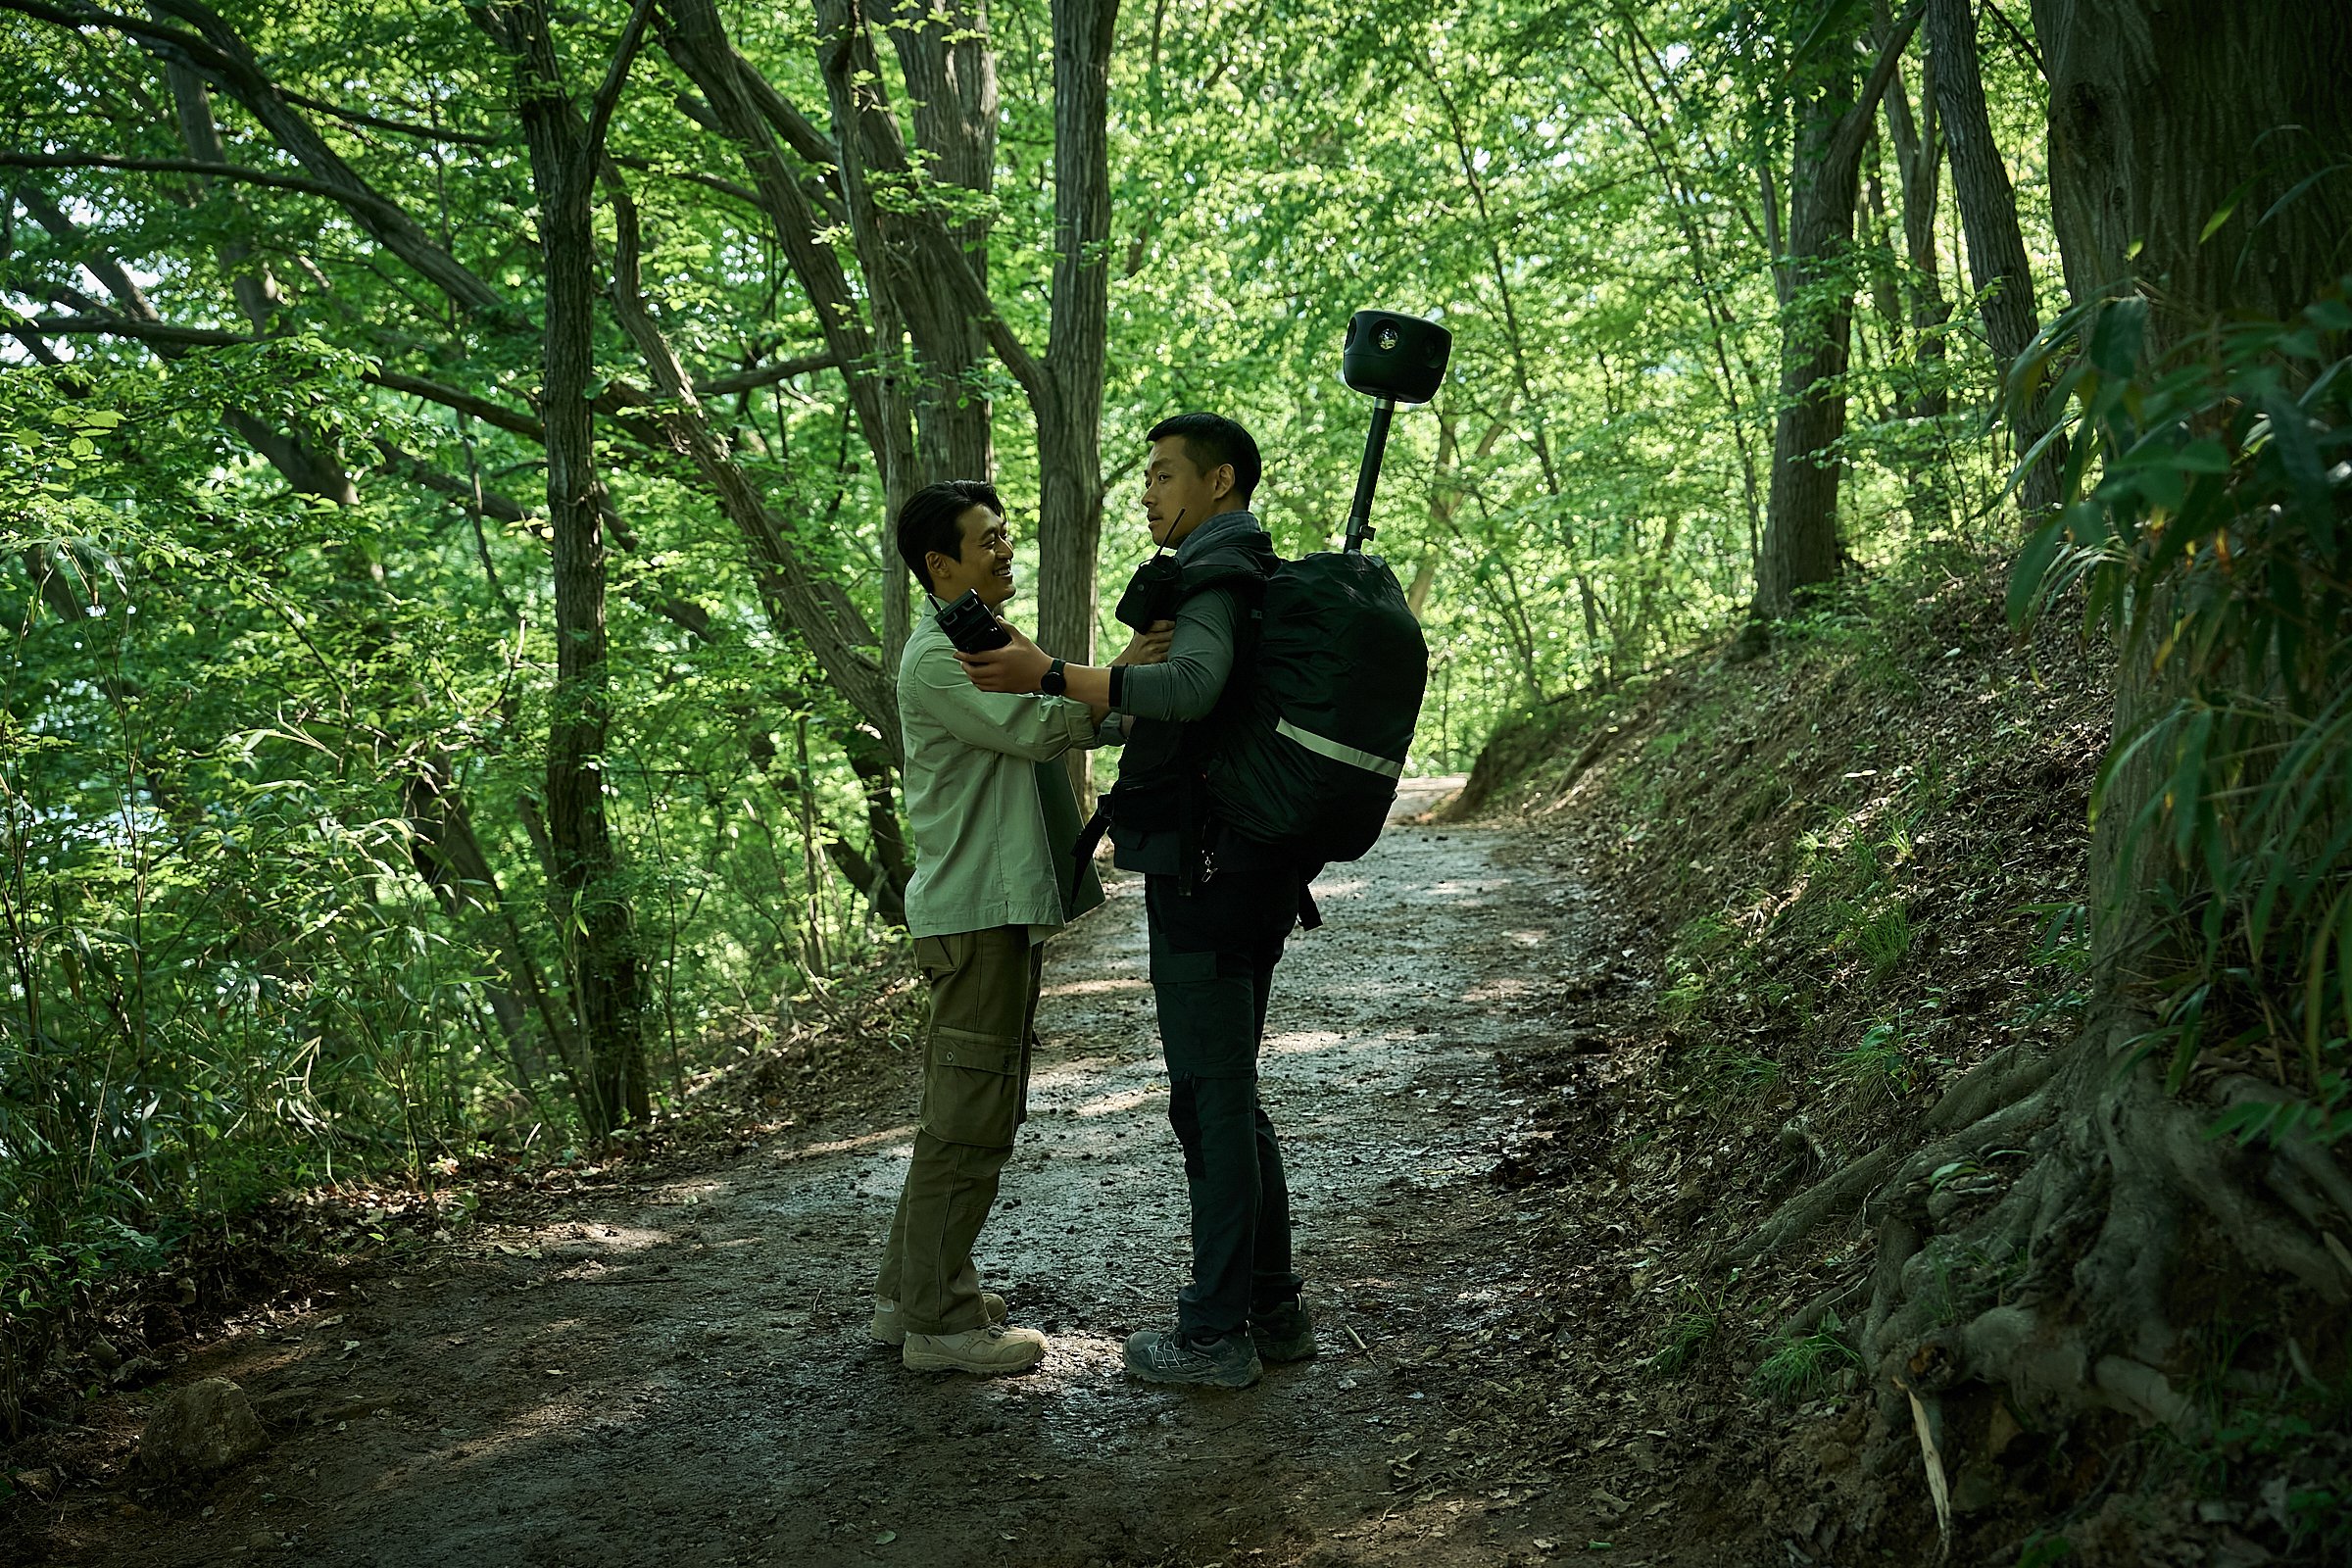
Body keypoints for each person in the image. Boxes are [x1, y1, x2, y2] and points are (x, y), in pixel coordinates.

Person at [957, 415, 1316, 1390]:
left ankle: (1216, 1334)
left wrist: (1050, 673)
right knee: (1228, 1092)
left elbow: (1192, 688)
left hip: (1209, 874)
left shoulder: (1216, 573)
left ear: (1219, 481)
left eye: (1163, 475)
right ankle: (1272, 1308)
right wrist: (1097, 680)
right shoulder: (1242, 571)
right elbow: (1177, 707)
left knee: (1211, 1098)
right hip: (1246, 865)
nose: (1149, 492)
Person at [873, 479, 1168, 1375]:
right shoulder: (938, 658)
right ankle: (940, 1324)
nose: (1006, 549)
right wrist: (1127, 670)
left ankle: (909, 1293)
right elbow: (1041, 729)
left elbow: (1058, 716)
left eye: (1005, 534)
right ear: (940, 564)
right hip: (976, 913)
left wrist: (1121, 685)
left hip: (989, 911)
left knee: (962, 1110)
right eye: (987, 539)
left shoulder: (981, 639)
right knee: (970, 1119)